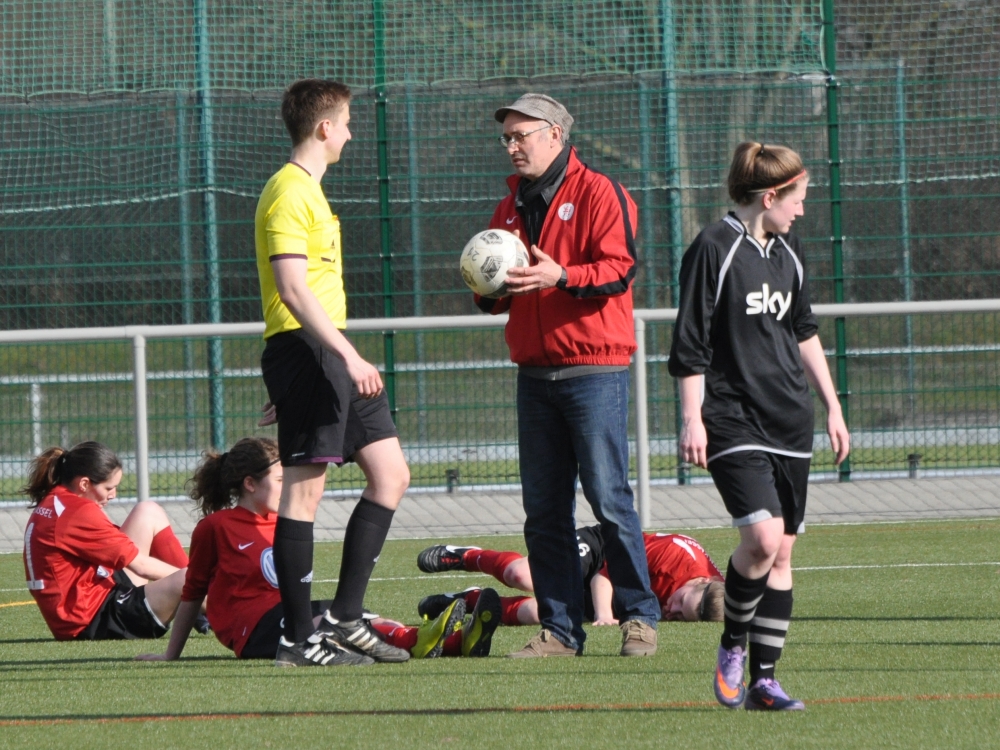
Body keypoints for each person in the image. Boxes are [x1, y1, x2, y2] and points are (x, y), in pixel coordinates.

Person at [475, 93, 660, 659]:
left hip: (592, 371)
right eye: (507, 137)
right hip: (534, 376)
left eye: (521, 135)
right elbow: (500, 295)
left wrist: (562, 275)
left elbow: (619, 269)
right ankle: (560, 630)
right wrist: (488, 287)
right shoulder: (508, 208)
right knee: (545, 510)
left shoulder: (600, 191)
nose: (512, 146)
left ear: (554, 134)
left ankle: (639, 618)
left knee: (609, 498)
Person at [667, 142, 850, 711]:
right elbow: (690, 342)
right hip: (731, 418)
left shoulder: (788, 250)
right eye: (796, 198)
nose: (801, 210)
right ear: (769, 195)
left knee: (784, 554)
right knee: (762, 540)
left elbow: (802, 329)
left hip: (789, 419)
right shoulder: (713, 247)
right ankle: (731, 645)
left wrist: (833, 405)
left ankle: (765, 683)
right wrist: (692, 417)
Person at [255, 79, 411, 667]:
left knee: (391, 473)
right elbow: (292, 288)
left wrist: (334, 358)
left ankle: (344, 618)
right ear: (324, 128)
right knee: (303, 494)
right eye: (345, 123)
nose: (349, 133)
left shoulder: (311, 192)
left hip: (324, 353)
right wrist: (341, 358)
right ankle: (298, 640)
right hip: (316, 352)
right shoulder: (289, 190)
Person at [136, 438, 498, 664]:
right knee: (325, 624)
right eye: (281, 481)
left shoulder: (284, 524)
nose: (289, 487)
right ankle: (421, 638)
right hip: (251, 631)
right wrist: (171, 654)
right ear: (249, 484)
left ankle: (447, 643)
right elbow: (192, 591)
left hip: (287, 614)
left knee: (350, 616)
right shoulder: (216, 528)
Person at [21, 441, 189, 641]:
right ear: (84, 483)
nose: (113, 495)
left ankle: (200, 604)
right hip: (93, 621)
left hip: (90, 598)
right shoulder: (78, 512)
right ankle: (214, 602)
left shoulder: (59, 499)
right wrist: (203, 581)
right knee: (189, 578)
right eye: (109, 487)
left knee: (148, 512)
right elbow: (141, 566)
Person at [415, 528, 724, 626]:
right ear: (700, 581)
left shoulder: (715, 597)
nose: (672, 609)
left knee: (537, 614)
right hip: (604, 552)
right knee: (523, 575)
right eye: (680, 601)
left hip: (623, 594)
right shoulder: (674, 556)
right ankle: (468, 556)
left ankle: (464, 601)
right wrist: (603, 616)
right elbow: (604, 575)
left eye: (681, 617)